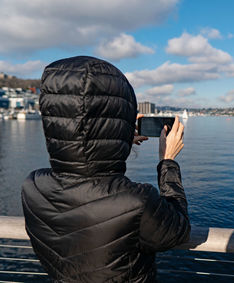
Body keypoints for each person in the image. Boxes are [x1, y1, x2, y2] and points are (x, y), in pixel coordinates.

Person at [21, 56, 190, 282]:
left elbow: (82, 147)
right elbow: (178, 230)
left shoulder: (33, 186)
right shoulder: (136, 201)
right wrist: (167, 161)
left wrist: (120, 140)